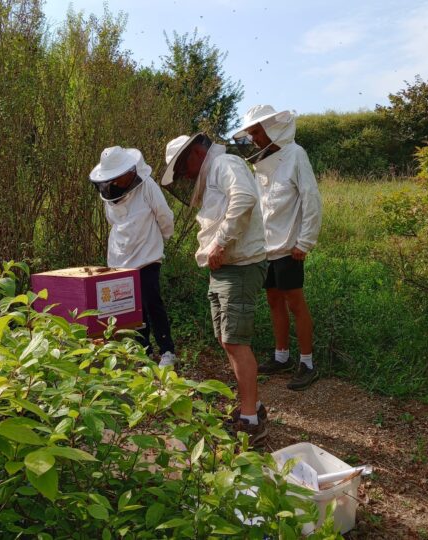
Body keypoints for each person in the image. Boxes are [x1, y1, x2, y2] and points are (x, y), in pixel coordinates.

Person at [161, 133, 268, 446]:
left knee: (236, 340)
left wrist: (220, 243)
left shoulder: (225, 163)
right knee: (226, 340)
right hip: (225, 268)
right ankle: (252, 408)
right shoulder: (215, 172)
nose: (186, 176)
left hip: (241, 266)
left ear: (196, 153)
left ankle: (250, 422)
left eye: (184, 167)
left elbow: (245, 198)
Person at [233, 105, 322, 391]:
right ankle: (281, 356)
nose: (254, 138)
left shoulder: (296, 154)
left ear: (271, 128)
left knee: (295, 302)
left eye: (257, 131)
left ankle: (307, 363)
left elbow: (311, 200)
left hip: (290, 247)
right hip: (266, 247)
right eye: (251, 133)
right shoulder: (261, 162)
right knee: (273, 300)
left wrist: (304, 241)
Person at [89, 146, 178, 368]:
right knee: (131, 308)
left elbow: (164, 215)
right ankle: (143, 350)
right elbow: (114, 223)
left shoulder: (147, 186)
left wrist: (162, 239)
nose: (118, 180)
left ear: (130, 169)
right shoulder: (110, 192)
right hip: (120, 259)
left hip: (147, 257)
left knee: (152, 303)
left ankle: (167, 351)